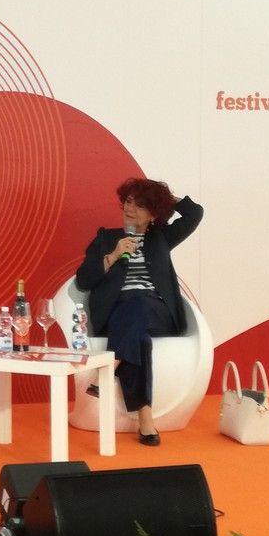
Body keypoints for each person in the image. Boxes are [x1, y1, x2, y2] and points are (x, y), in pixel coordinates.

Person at [75, 177, 203, 446]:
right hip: (118, 313)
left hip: (157, 311)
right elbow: (84, 280)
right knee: (139, 338)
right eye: (129, 202)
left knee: (139, 302)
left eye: (141, 205)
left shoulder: (161, 238)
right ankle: (146, 419)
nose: (130, 209)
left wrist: (164, 199)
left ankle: (107, 368)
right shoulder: (106, 238)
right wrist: (112, 256)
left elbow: (194, 213)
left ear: (154, 215)